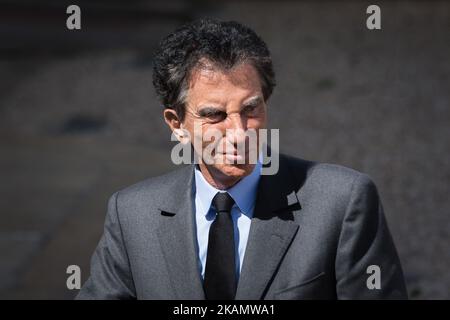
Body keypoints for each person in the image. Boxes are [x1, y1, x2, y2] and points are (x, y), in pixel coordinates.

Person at [77, 18, 407, 300]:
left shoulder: (343, 203)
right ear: (177, 125)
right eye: (214, 115)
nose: (238, 132)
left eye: (250, 109)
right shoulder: (132, 216)